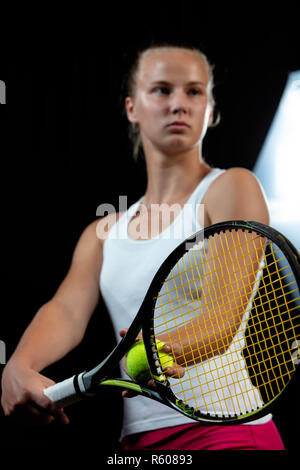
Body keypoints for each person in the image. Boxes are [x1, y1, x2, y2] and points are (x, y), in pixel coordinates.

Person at [1, 42, 285, 450]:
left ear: (210, 108)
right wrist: (18, 366)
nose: (179, 104)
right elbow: (64, 310)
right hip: (137, 442)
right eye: (162, 90)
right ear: (132, 108)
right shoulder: (103, 232)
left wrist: (158, 349)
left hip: (228, 433)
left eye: (194, 91)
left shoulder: (231, 187)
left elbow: (224, 312)